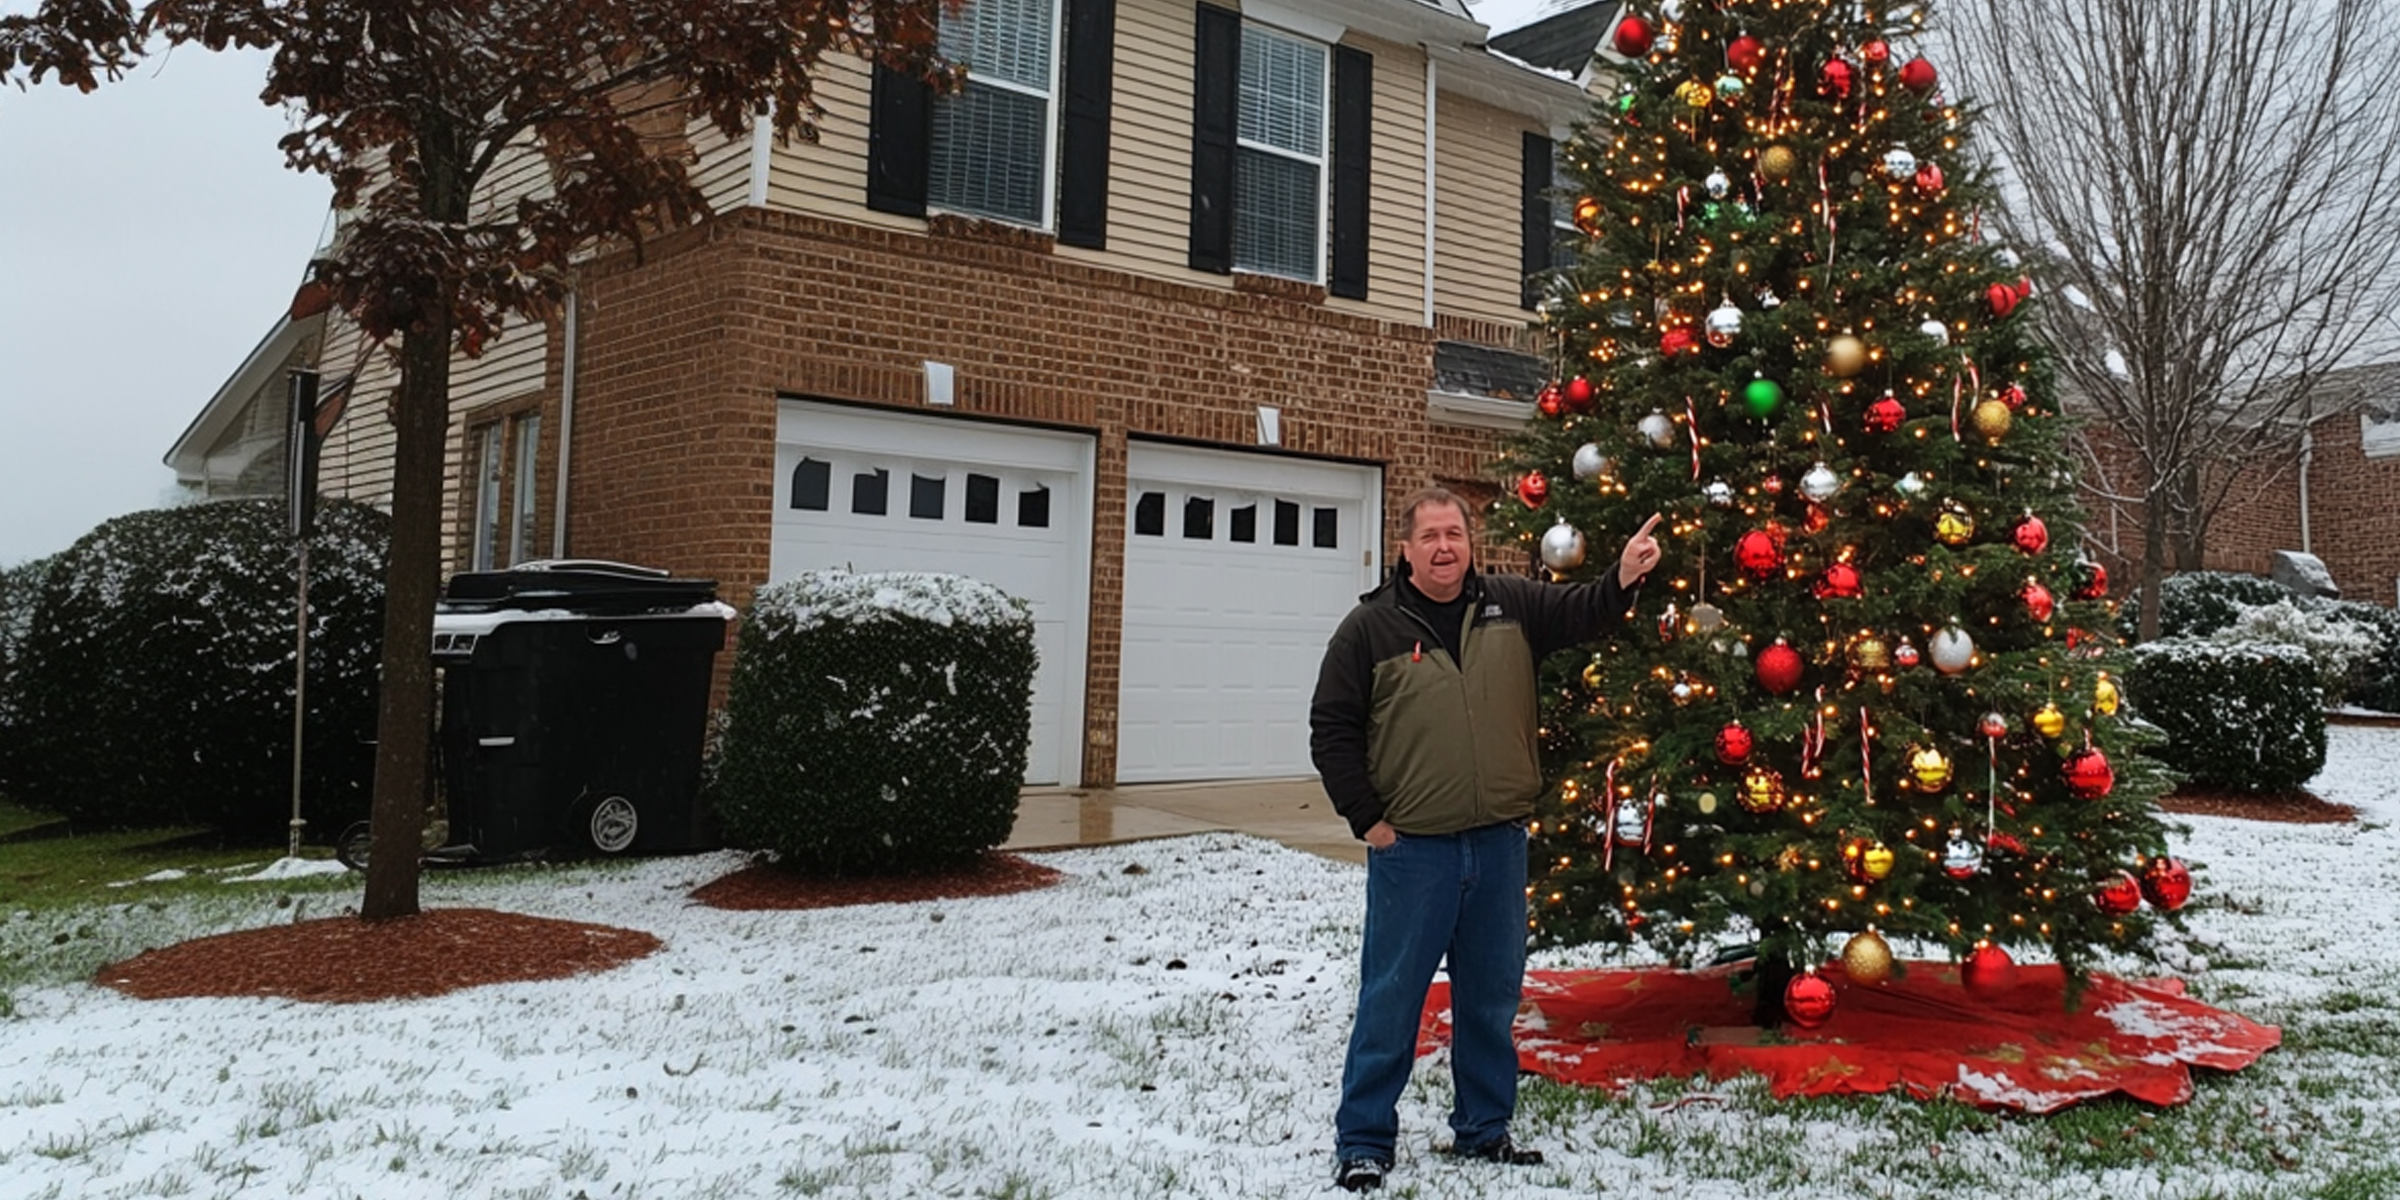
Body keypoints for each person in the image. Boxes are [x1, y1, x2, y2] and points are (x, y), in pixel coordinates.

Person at [1310, 486, 1659, 1192]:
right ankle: (1365, 1140)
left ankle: (1483, 1130)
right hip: (1414, 851)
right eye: (1430, 536)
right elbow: (1332, 729)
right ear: (1404, 548)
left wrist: (1622, 576)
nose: (1445, 547)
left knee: (1490, 999)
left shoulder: (1511, 604)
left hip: (1498, 844)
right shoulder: (1369, 628)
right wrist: (1368, 820)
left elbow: (1584, 611)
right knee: (1392, 999)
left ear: (1472, 543)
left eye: (1456, 534)